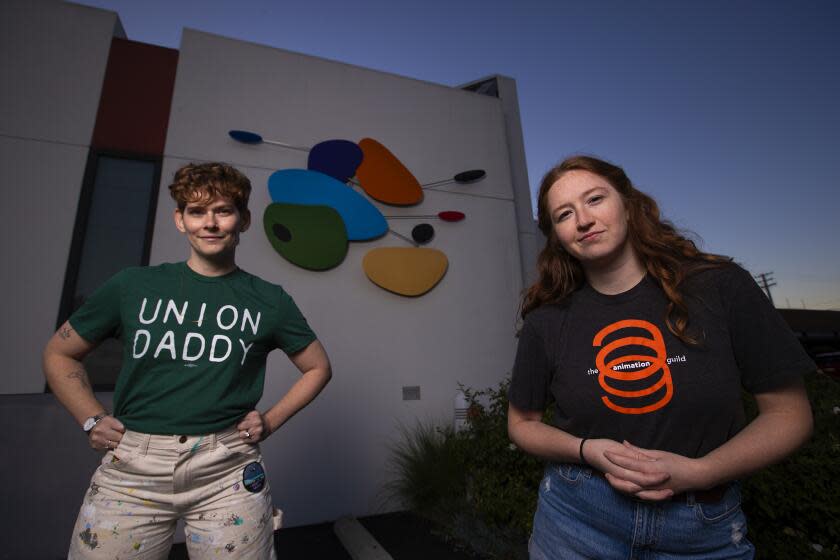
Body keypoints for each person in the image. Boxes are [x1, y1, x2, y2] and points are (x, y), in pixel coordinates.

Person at [507, 155, 813, 559]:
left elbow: (790, 416)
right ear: (558, 237)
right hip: (577, 519)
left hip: (701, 528)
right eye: (565, 214)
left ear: (629, 205)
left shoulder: (718, 287)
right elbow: (522, 423)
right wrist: (587, 449)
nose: (583, 219)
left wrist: (700, 472)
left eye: (595, 199)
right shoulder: (548, 320)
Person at [44, 162, 332, 559]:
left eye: (223, 211)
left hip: (226, 469)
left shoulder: (270, 300)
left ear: (243, 220)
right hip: (133, 470)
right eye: (197, 212)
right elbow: (60, 352)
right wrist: (91, 418)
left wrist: (269, 420)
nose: (210, 223)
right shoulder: (133, 286)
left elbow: (318, 367)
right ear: (180, 220)